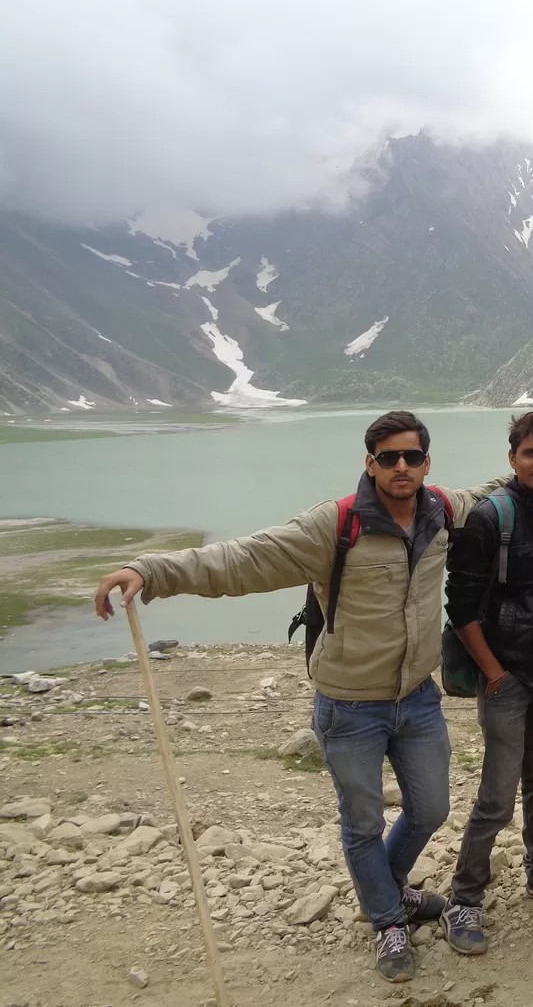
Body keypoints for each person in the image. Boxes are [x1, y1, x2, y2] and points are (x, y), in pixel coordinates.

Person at [92, 410, 507, 985]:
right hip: (348, 706)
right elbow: (242, 560)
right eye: (389, 457)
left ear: (427, 461)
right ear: (371, 464)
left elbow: (486, 493)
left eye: (412, 456)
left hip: (416, 699)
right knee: (362, 822)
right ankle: (388, 918)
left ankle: (381, 893)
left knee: (431, 808)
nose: (402, 466)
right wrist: (151, 569)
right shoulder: (334, 526)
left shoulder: (440, 510)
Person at [440, 411, 533, 955]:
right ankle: (465, 898)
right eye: (531, 453)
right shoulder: (489, 519)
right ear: (513, 458)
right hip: (508, 676)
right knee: (497, 795)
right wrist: (494, 673)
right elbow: (460, 606)